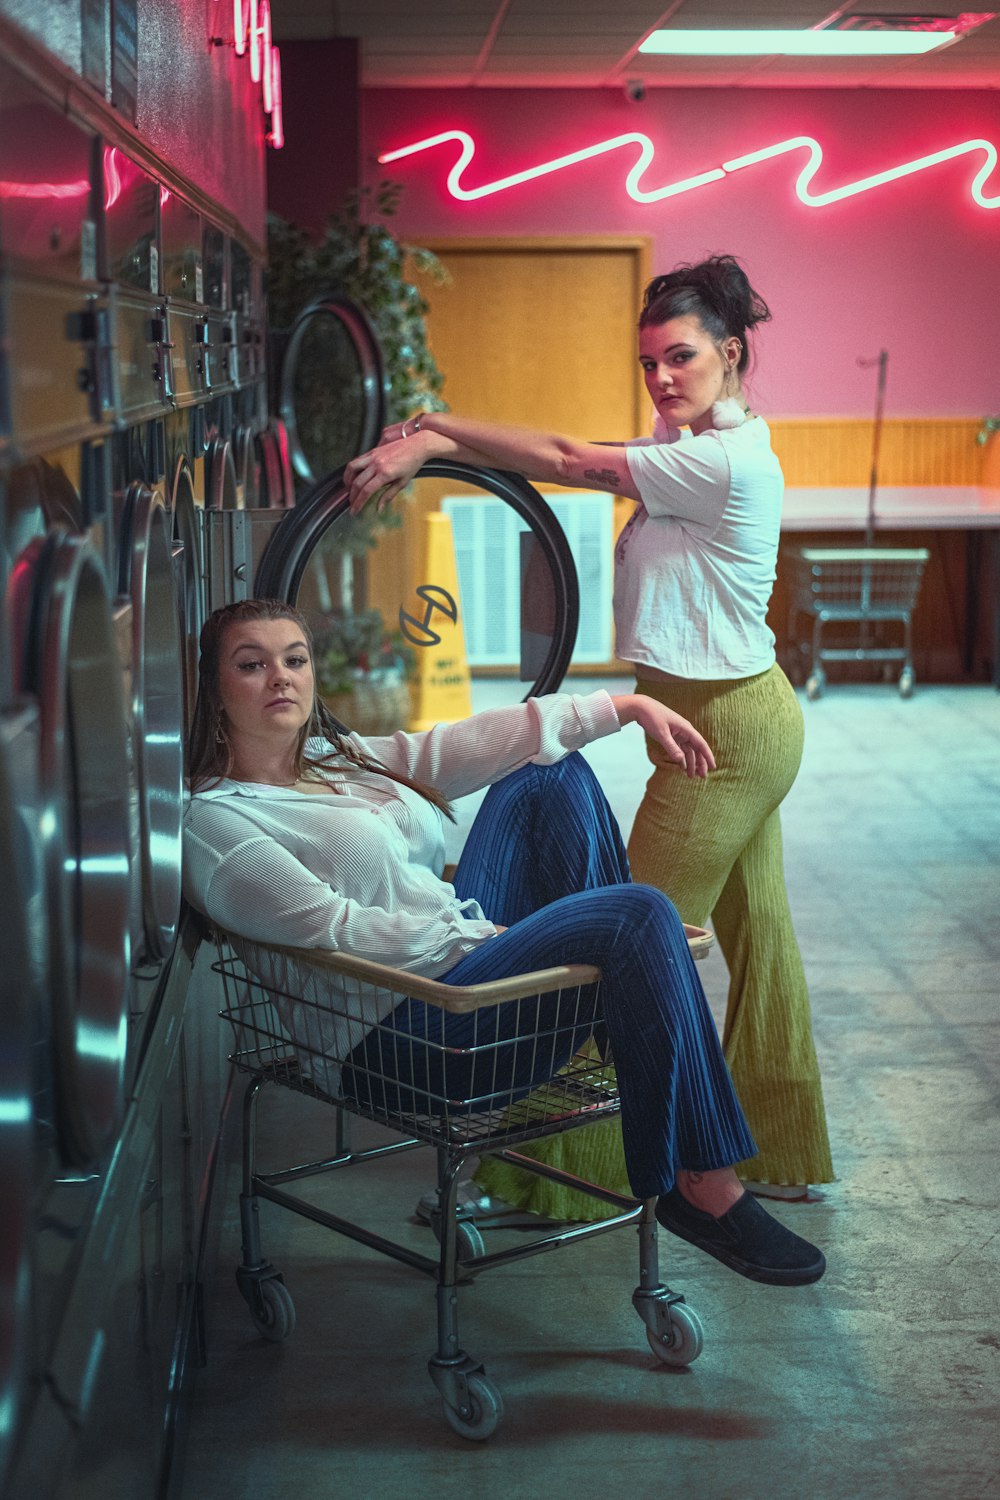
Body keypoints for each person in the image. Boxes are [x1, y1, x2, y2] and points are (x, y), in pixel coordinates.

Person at [343, 253, 834, 1219]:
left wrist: (434, 433)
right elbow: (584, 452)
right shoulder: (702, 440)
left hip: (723, 736)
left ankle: (558, 1177)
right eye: (649, 362)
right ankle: (777, 1146)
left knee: (622, 947)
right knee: (758, 935)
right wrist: (446, 436)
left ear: (731, 354)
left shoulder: (720, 460)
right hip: (735, 715)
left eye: (682, 358)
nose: (662, 378)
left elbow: (568, 458)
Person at [182, 598, 826, 1286]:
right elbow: (331, 927)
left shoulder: (336, 759)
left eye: (295, 659)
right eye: (251, 664)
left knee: (550, 770)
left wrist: (619, 709)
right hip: (397, 1033)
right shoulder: (215, 821)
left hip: (461, 970)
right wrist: (478, 934)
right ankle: (705, 1182)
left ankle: (616, 1021)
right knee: (638, 917)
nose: (280, 677)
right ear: (215, 689)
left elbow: (449, 746)